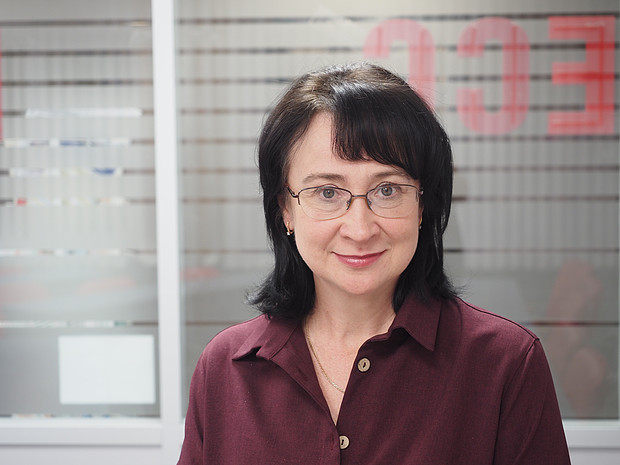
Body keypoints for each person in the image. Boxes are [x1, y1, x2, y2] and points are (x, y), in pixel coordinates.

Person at [177, 62, 571, 464]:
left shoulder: (504, 363)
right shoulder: (225, 368)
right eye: (327, 192)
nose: (360, 229)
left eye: (387, 190)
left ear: (422, 204)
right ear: (286, 211)